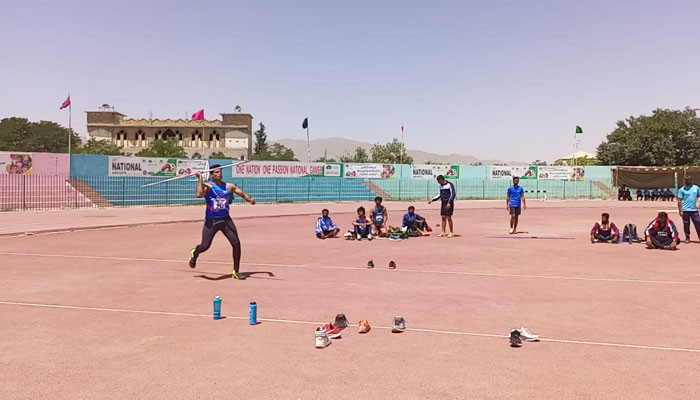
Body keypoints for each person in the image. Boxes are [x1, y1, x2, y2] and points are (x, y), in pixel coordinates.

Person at [188, 165, 256, 280]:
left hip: (225, 219)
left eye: (220, 172)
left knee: (236, 243)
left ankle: (236, 271)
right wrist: (200, 178)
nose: (219, 174)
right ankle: (195, 253)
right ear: (211, 174)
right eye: (216, 172)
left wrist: (249, 199)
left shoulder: (229, 186)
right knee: (205, 246)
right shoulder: (208, 186)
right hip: (212, 221)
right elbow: (199, 195)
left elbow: (242, 194)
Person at [677, 176, 700, 243]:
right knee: (686, 224)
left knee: (698, 223)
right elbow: (679, 201)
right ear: (684, 181)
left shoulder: (696, 188)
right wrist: (680, 210)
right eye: (686, 180)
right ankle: (687, 237)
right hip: (685, 210)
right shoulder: (682, 189)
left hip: (694, 210)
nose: (687, 181)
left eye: (689, 180)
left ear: (691, 180)